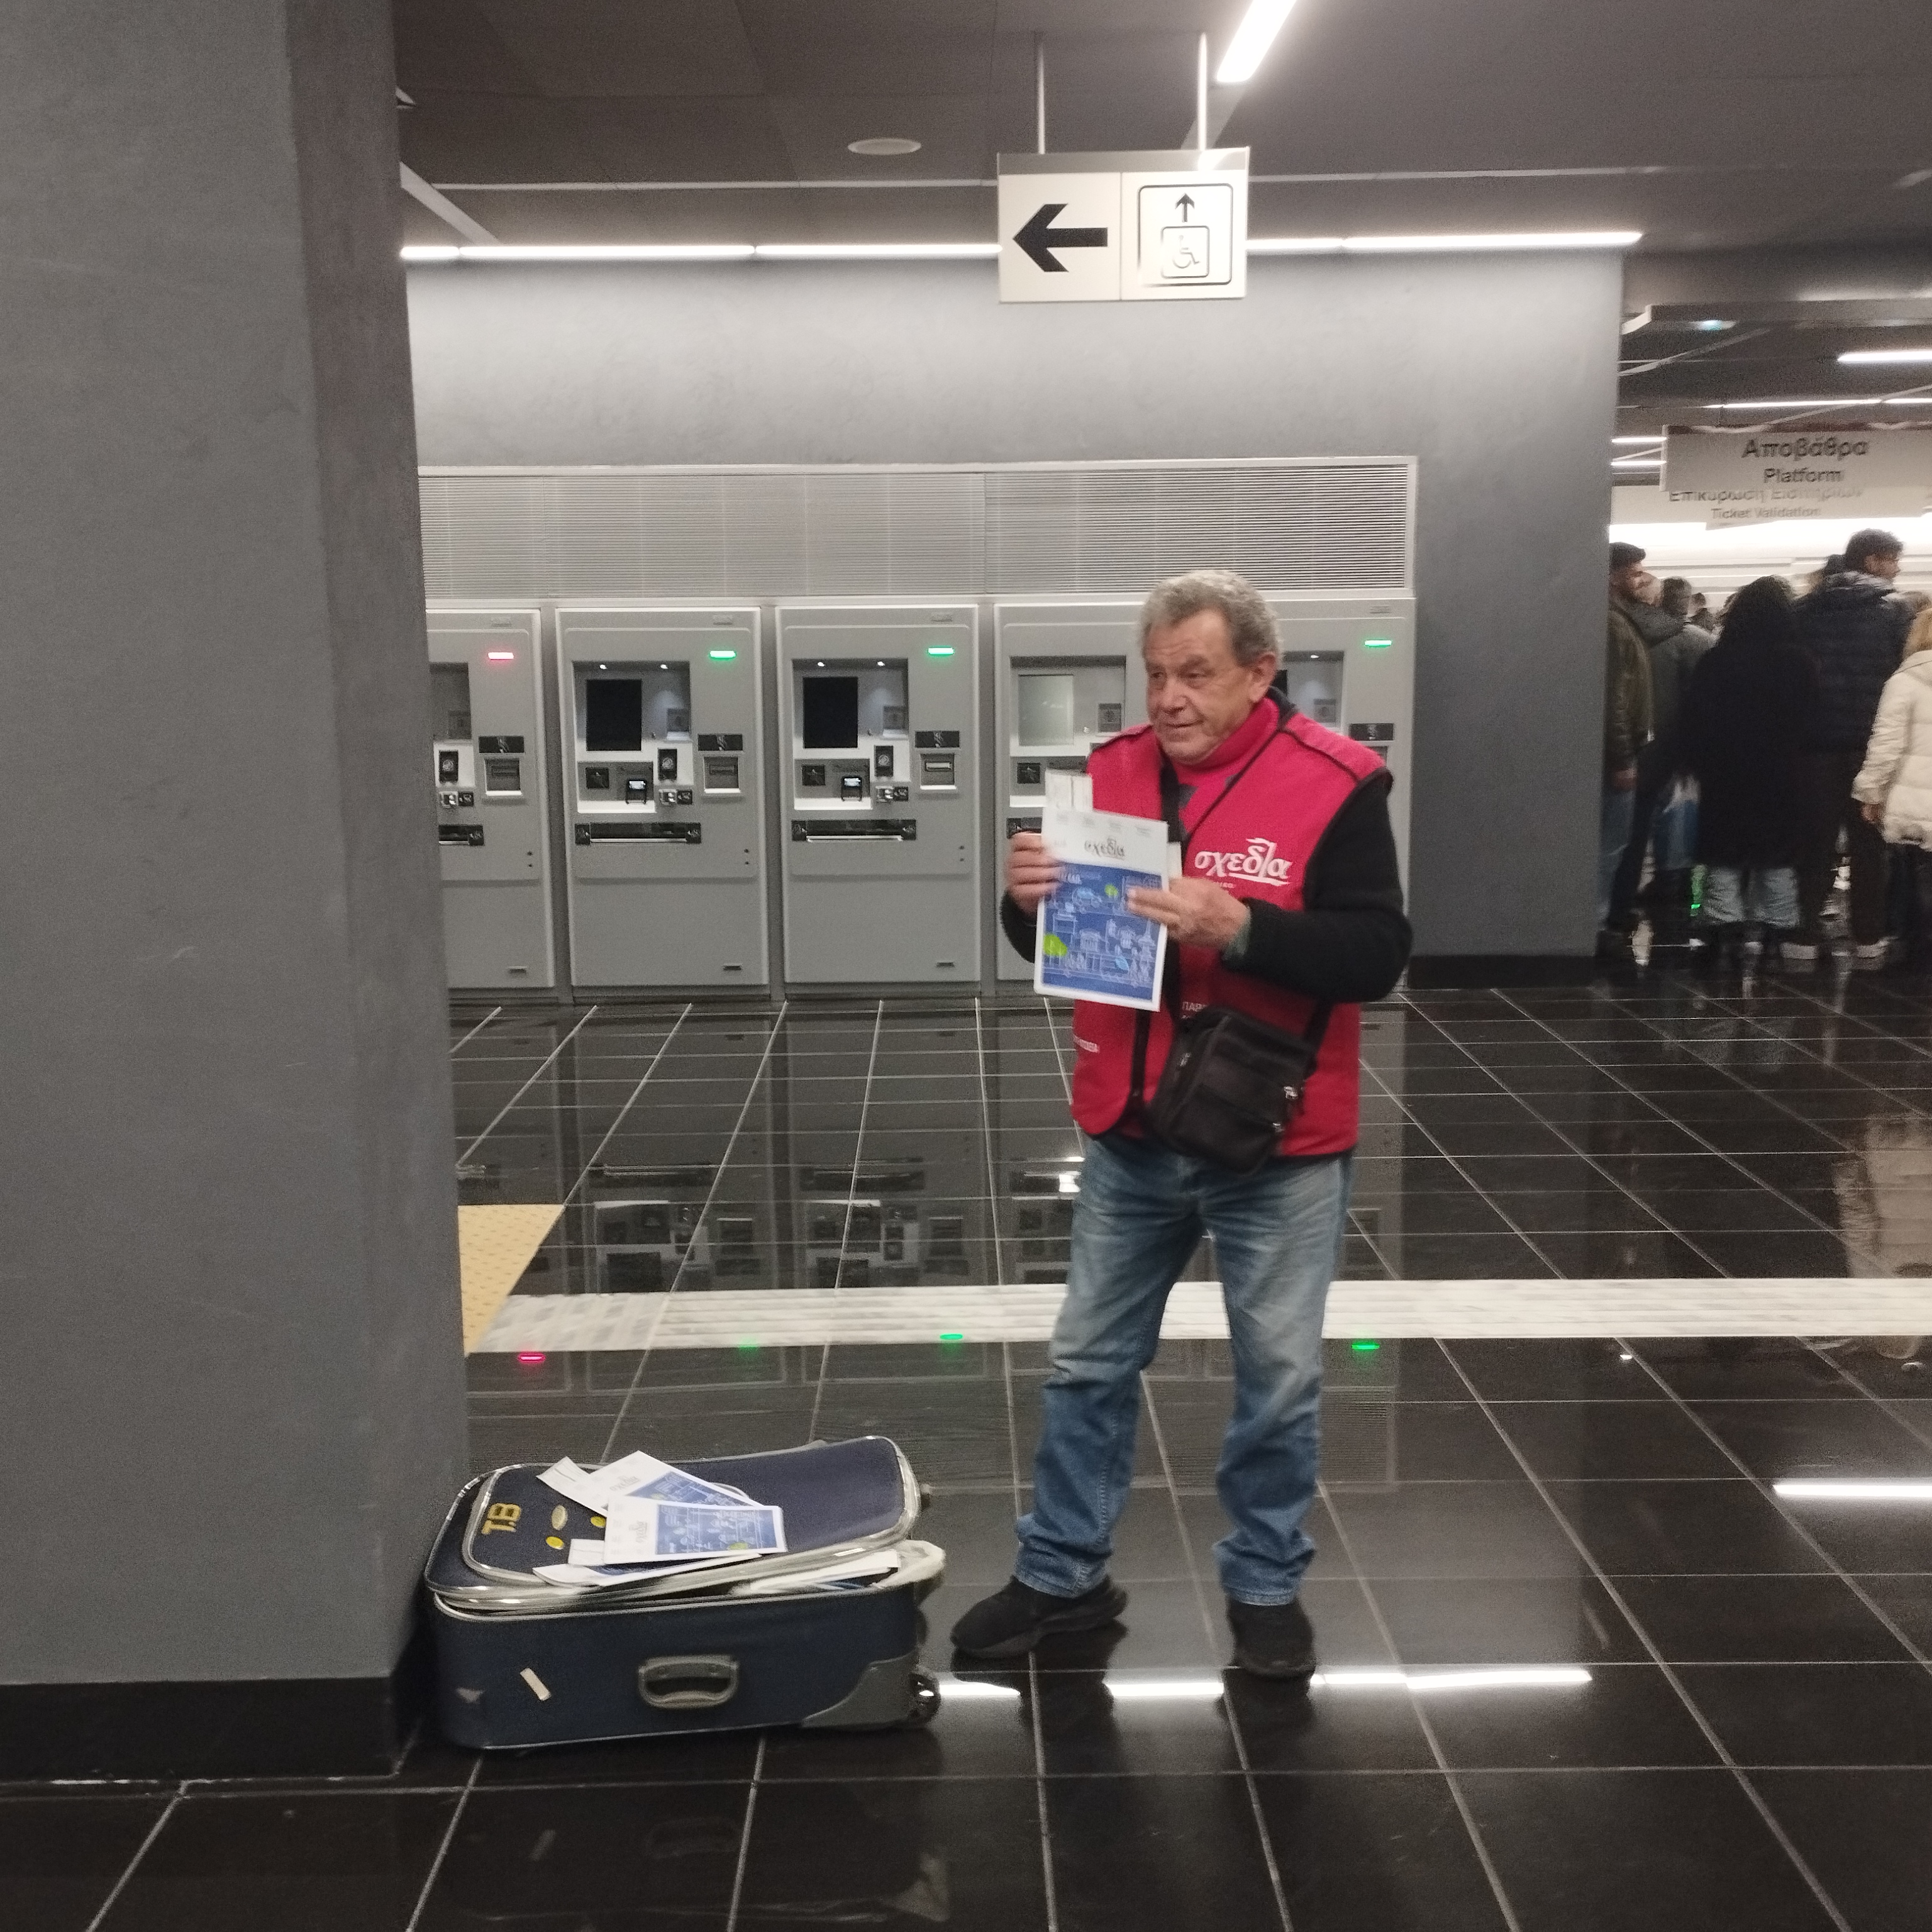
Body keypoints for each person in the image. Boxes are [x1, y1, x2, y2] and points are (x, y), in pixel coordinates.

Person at [952, 569, 1411, 1679]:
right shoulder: (1108, 773)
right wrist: (1022, 904)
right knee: (1086, 1363)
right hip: (1130, 1129)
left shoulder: (1336, 784)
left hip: (1273, 1139)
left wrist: (1241, 926)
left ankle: (1264, 1586)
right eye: (1156, 673)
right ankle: (1062, 1573)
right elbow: (1055, 949)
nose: (1168, 697)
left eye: (1195, 674)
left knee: (1279, 1379)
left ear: (1260, 673)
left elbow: (1375, 953)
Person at [1790, 529, 1915, 966]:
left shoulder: (1804, 609)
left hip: (1814, 745)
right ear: (1873, 561)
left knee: (1814, 842)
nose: (1898, 569)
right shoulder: (1896, 610)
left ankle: (1803, 937)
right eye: (1894, 560)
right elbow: (1903, 675)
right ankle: (1868, 938)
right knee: (1869, 847)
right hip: (1871, 745)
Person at [1680, 577, 1819, 970]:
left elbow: (1696, 718)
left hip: (1725, 771)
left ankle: (1723, 931)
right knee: (1776, 857)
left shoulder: (1718, 659)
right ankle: (1776, 935)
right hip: (1781, 772)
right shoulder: (1800, 662)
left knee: (1724, 854)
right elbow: (1810, 720)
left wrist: (1699, 763)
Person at [1606, 570, 1713, 945]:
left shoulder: (1610, 628)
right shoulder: (1695, 641)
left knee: (1620, 838)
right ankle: (1663, 888)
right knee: (1661, 826)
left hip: (1620, 750)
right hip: (1668, 753)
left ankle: (1612, 912)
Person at [1853, 607, 1932, 973]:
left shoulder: (1905, 680)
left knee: (1916, 874)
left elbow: (1887, 744)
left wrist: (1870, 793)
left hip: (1916, 797)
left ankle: (1918, 949)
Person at [1599, 543, 1657, 961]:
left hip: (1620, 751)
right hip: (1616, 757)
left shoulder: (1617, 620)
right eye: (1634, 572)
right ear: (1613, 575)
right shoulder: (1613, 624)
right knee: (1610, 845)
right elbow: (1614, 698)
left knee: (1612, 845)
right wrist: (1622, 759)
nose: (1641, 579)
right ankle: (1596, 925)